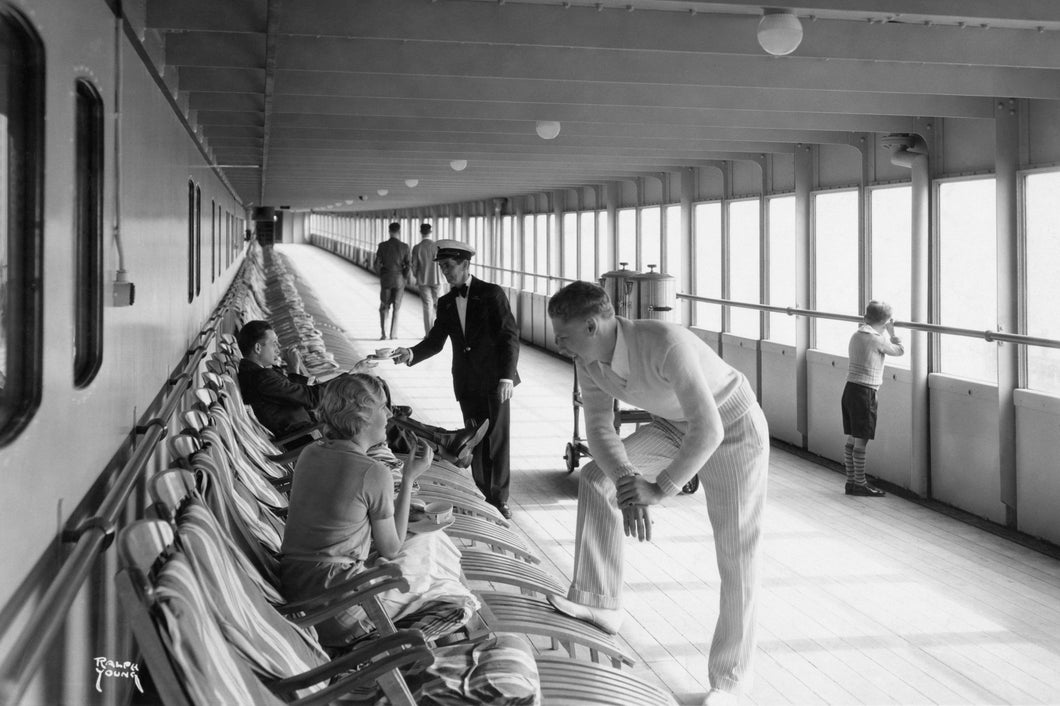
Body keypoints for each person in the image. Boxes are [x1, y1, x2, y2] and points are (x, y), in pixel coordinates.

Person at [544, 281, 769, 706]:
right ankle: (600, 600)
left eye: (564, 335)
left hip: (733, 426)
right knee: (597, 480)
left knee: (737, 552)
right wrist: (628, 483)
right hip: (673, 425)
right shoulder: (588, 359)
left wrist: (659, 489)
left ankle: (731, 684)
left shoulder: (665, 342)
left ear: (592, 325)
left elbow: (711, 429)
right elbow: (598, 427)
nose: (559, 344)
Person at [279, 373, 479, 646]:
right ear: (361, 416)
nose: (389, 413)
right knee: (458, 603)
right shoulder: (373, 471)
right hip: (337, 608)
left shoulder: (311, 452)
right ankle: (383, 651)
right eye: (383, 406)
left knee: (429, 548)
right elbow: (391, 549)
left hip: (297, 586)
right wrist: (409, 478)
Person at [393, 240, 520, 519]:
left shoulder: (491, 294)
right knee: (471, 440)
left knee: (496, 440)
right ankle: (482, 494)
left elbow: (509, 336)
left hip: (495, 381)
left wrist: (506, 378)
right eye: (442, 268)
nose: (446, 273)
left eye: (449, 266)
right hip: (466, 383)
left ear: (465, 265)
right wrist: (411, 353)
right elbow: (435, 341)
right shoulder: (447, 302)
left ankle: (499, 499)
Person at [842, 300, 905, 497]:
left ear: (865, 317)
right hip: (865, 392)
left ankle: (851, 481)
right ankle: (860, 483)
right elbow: (900, 351)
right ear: (886, 322)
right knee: (862, 439)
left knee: (852, 436)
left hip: (850, 389)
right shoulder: (877, 339)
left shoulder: (856, 335)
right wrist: (893, 333)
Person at [236, 320, 326, 437]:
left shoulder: (251, 372)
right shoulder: (262, 377)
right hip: (303, 438)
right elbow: (310, 398)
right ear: (258, 348)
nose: (278, 349)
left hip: (305, 429)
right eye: (274, 343)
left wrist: (294, 368)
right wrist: (347, 380)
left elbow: (289, 393)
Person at [373, 222, 411, 340]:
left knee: (384, 305)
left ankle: (383, 334)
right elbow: (409, 265)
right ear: (399, 232)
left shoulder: (382, 246)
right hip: (399, 279)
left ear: (389, 231)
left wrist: (382, 274)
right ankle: (393, 334)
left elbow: (377, 264)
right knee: (397, 307)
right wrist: (404, 278)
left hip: (386, 278)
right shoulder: (405, 247)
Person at [411, 223, 441, 335]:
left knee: (427, 305)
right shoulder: (437, 246)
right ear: (431, 232)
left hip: (423, 280)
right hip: (437, 279)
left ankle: (429, 334)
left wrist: (416, 275)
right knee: (439, 304)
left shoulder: (417, 247)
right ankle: (440, 332)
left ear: (420, 232)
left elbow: (413, 265)